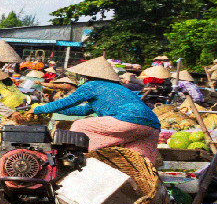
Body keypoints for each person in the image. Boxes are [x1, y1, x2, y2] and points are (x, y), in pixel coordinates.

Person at [31, 56, 161, 164]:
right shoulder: (117, 88)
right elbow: (83, 111)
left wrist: (39, 109)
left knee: (79, 125)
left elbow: (68, 102)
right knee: (139, 164)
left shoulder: (92, 85)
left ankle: (72, 162)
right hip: (152, 126)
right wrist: (52, 110)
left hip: (128, 120)